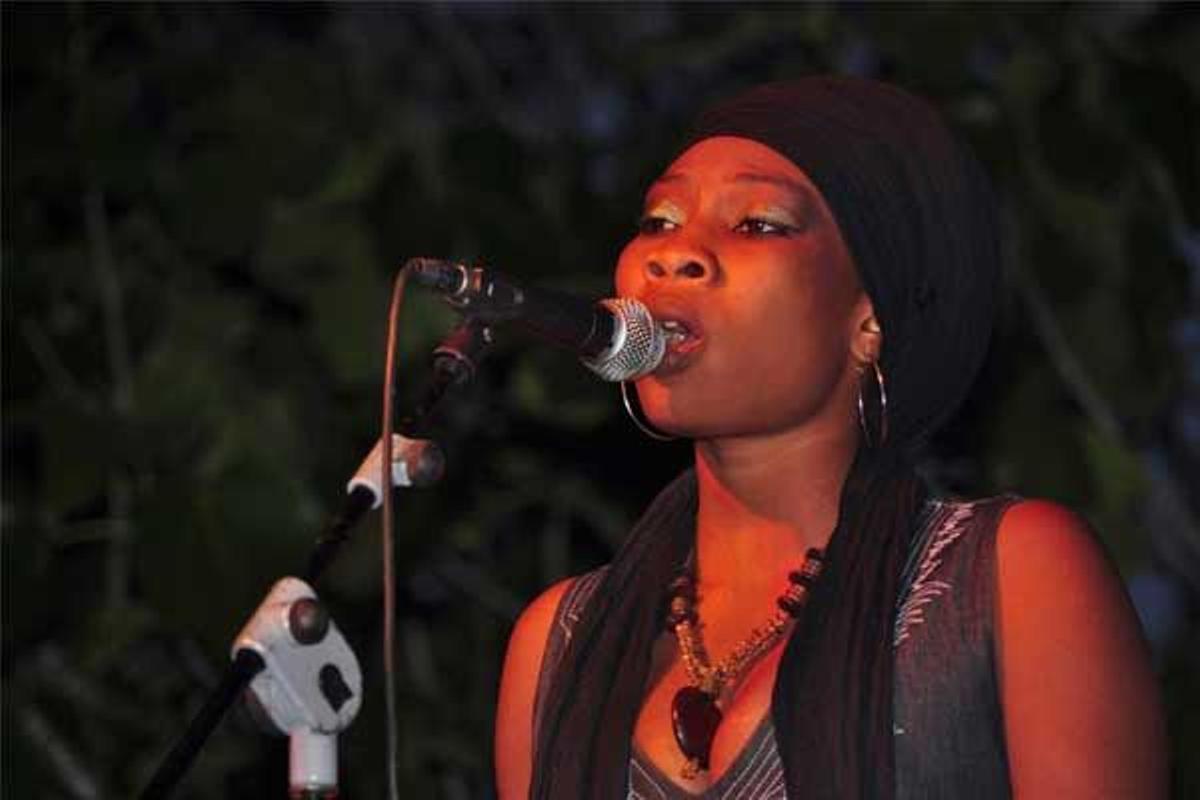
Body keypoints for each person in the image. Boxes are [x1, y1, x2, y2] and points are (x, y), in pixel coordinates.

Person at [494, 77, 1167, 800]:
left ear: (870, 319)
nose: (675, 253)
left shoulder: (1010, 573)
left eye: (757, 224)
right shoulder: (560, 641)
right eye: (659, 220)